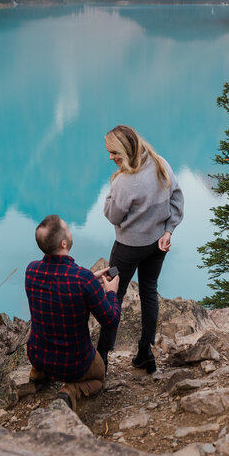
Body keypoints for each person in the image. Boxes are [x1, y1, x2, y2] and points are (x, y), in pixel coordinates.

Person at [96, 124, 184, 375]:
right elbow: (177, 199)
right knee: (149, 292)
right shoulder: (160, 164)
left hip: (128, 247)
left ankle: (102, 357)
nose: (111, 158)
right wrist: (168, 230)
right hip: (157, 245)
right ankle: (145, 353)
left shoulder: (124, 181)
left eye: (114, 153)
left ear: (126, 150)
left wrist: (110, 194)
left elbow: (113, 215)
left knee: (114, 295)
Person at [25, 214, 121, 413]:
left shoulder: (31, 270)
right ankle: (72, 390)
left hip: (38, 355)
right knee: (99, 377)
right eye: (67, 228)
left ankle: (39, 373)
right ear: (63, 243)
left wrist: (90, 279)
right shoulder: (82, 280)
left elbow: (59, 281)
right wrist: (111, 292)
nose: (70, 231)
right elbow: (110, 320)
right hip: (75, 365)